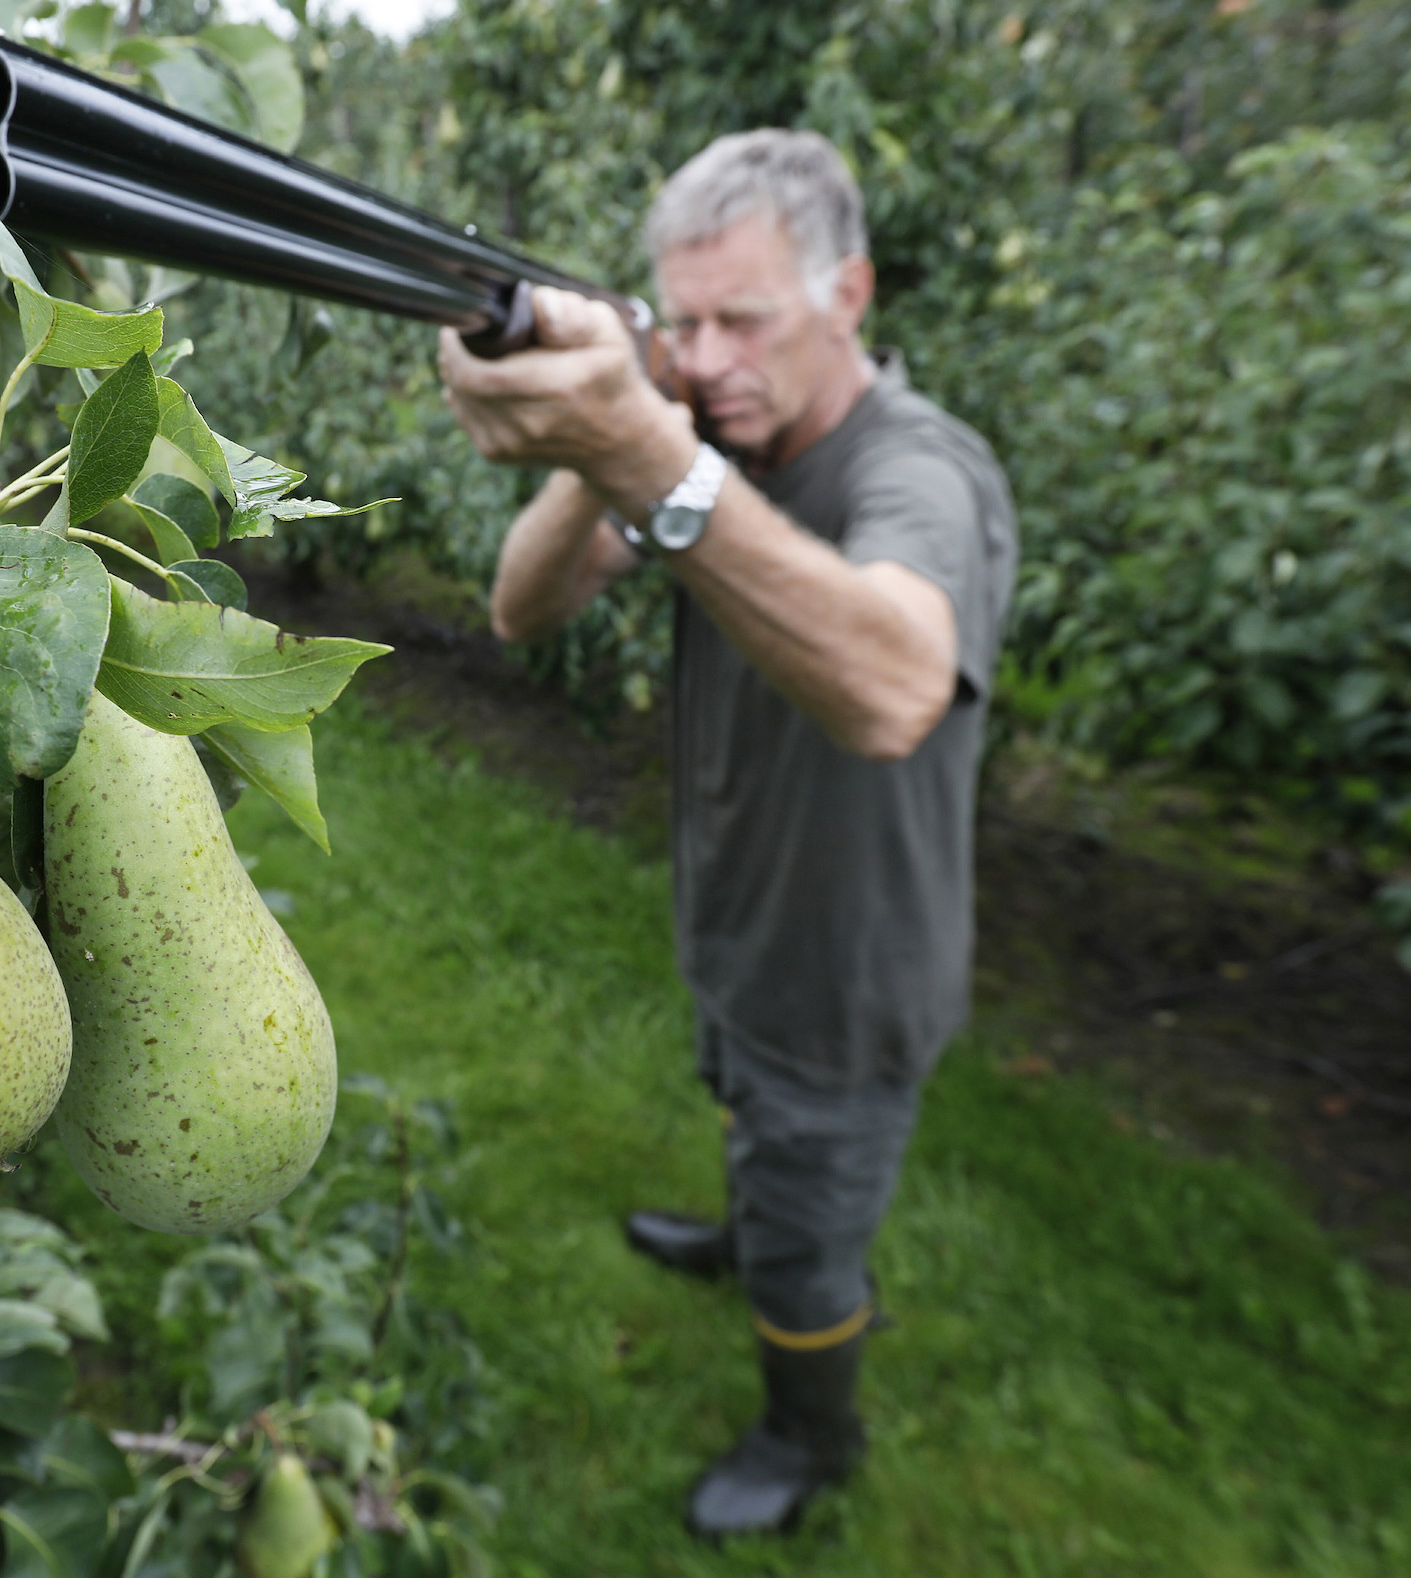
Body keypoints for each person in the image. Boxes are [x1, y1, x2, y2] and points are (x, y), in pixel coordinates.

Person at [436, 130, 1018, 1539]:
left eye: (741, 320)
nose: (705, 359)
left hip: (846, 981)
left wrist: (652, 447)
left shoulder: (921, 474)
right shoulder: (718, 437)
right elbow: (523, 608)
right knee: (752, 1132)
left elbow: (891, 687)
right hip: (739, 928)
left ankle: (808, 1431)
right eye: (680, 322)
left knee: (815, 1241)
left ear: (849, 295)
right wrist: (604, 441)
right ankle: (747, 1225)